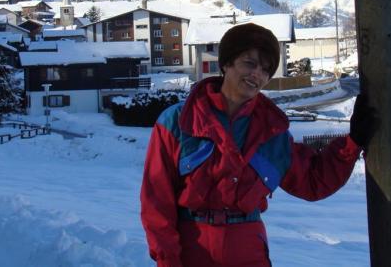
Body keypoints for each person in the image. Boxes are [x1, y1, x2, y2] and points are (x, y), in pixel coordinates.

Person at [140, 23, 372, 267]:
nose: (257, 75)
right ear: (226, 63)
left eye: (266, 69)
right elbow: (156, 200)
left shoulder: (272, 133)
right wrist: (168, 260)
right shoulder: (178, 122)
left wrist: (353, 141)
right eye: (249, 63)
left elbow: (313, 182)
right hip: (191, 250)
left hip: (248, 249)